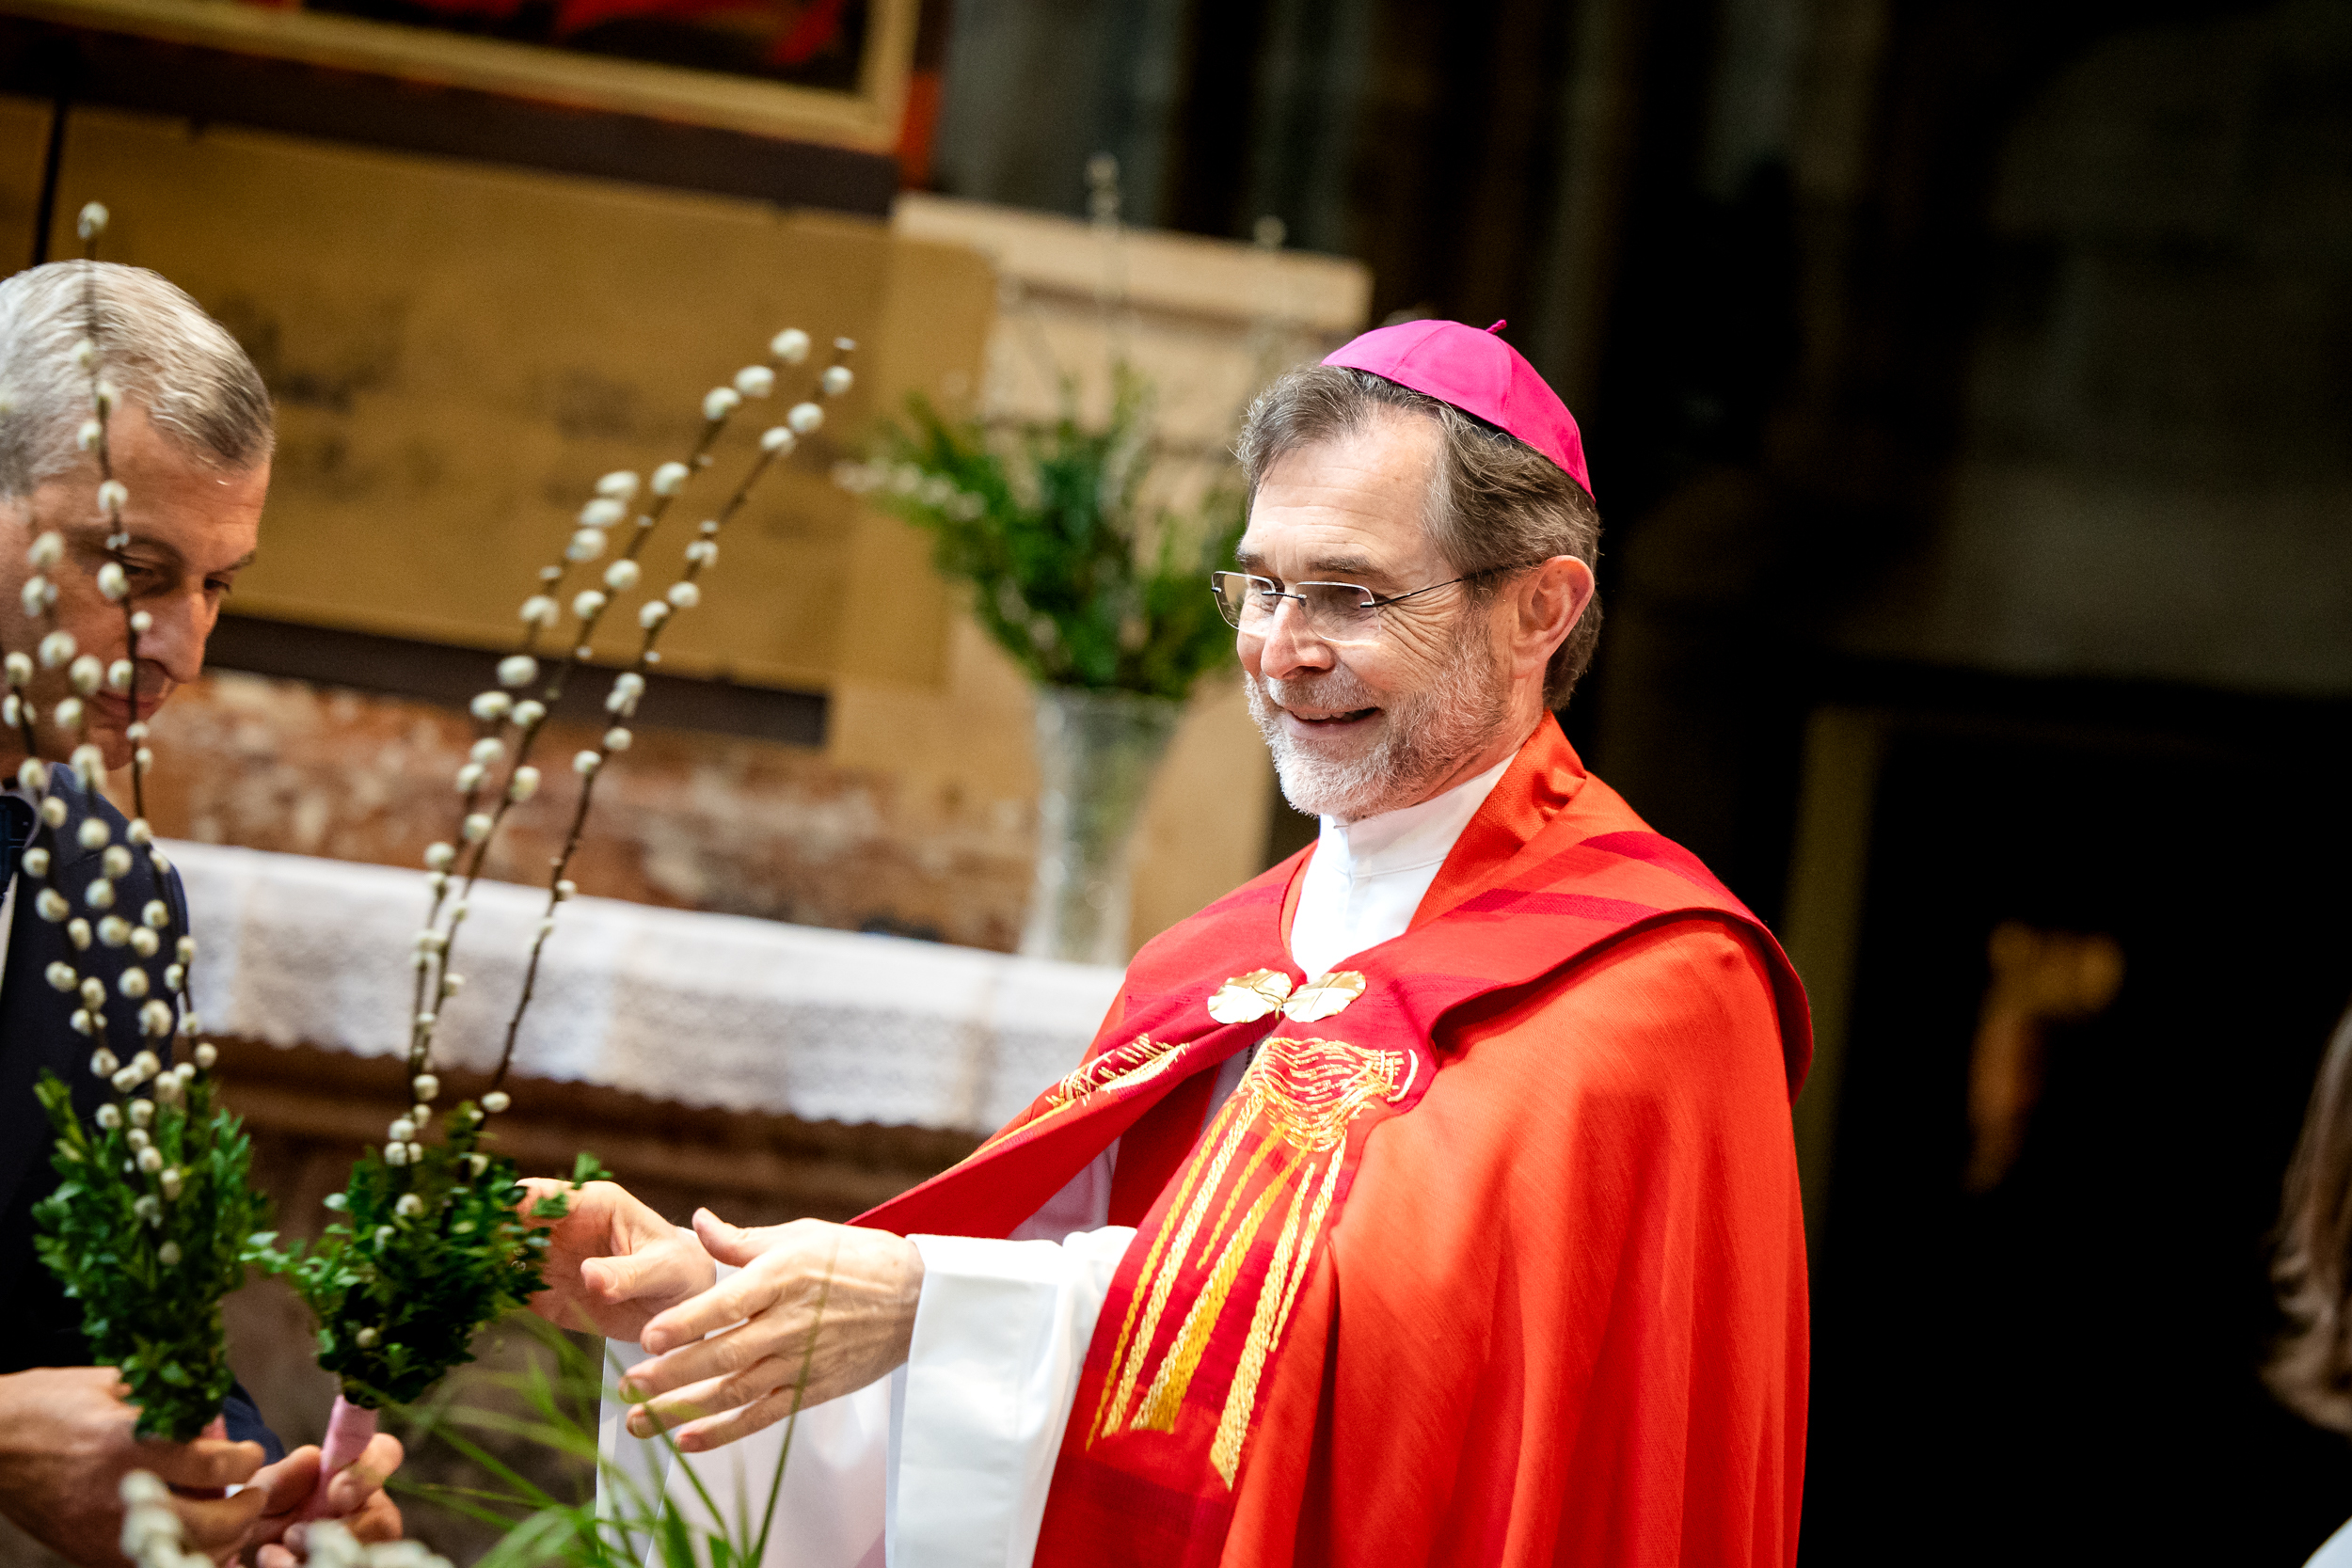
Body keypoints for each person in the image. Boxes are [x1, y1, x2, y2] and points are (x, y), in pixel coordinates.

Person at [532, 320, 1814, 1566]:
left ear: (1540, 609)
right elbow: (1009, 1412)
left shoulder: (1656, 982)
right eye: (1263, 587)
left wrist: (932, 1302)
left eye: (1350, 595)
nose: (1280, 652)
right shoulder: (1210, 962)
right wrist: (722, 1307)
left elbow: (1438, 1383)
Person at [0, 261, 405, 1567]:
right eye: (134, 568)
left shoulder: (108, 892)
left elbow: (90, 1333)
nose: (179, 647)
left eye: (218, 585)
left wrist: (251, 1496)